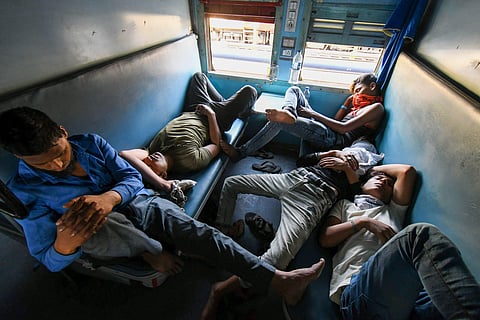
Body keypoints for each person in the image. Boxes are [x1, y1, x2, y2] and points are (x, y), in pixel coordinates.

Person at [0, 106, 324, 311]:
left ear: (62, 132)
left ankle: (279, 280)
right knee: (93, 220)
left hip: (138, 203)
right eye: (42, 164)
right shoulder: (26, 191)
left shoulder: (90, 144)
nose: (56, 164)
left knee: (199, 232)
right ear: (21, 160)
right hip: (105, 233)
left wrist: (110, 197)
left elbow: (129, 176)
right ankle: (152, 250)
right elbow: (47, 257)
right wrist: (64, 245)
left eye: (58, 151)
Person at [200, 139, 383, 319]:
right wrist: (330, 154)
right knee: (232, 183)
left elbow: (354, 198)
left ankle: (221, 289)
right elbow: (301, 161)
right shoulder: (336, 153)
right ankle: (223, 230)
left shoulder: (362, 176)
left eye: (361, 155)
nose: (354, 155)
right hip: (294, 178)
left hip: (312, 199)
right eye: (353, 150)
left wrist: (348, 170)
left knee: (277, 259)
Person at [318, 164, 480, 319]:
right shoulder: (346, 206)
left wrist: (372, 169)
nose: (383, 181)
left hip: (406, 302)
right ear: (362, 184)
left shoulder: (393, 211)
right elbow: (326, 238)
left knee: (452, 293)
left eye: (389, 184)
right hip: (358, 292)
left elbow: (406, 171)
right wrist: (364, 222)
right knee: (418, 235)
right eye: (378, 178)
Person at [119, 72, 257, 204]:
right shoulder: (189, 160)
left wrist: (151, 171)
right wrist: (211, 115)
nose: (149, 159)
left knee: (199, 76)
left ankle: (225, 104)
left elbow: (124, 154)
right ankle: (236, 111)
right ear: (163, 175)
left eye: (145, 162)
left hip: (193, 109)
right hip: (216, 119)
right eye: (150, 166)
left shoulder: (152, 151)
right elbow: (216, 144)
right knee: (250, 91)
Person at [220, 73, 384, 161]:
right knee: (295, 90)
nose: (356, 96)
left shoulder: (376, 108)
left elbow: (342, 128)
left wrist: (313, 114)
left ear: (372, 86)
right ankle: (289, 112)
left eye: (358, 91)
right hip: (328, 131)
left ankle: (241, 152)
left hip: (333, 140)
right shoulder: (357, 105)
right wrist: (347, 104)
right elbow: (337, 120)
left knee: (279, 122)